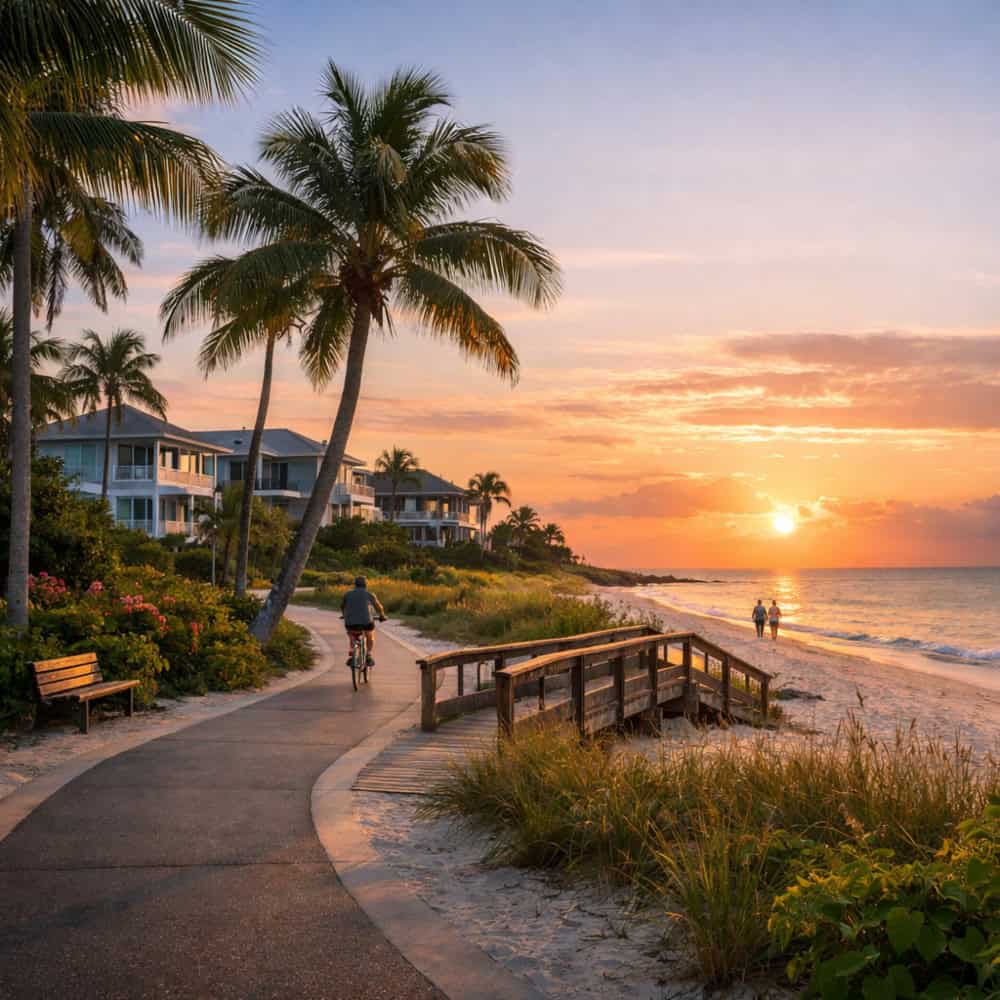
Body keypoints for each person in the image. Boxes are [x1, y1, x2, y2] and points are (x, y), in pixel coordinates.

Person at [341, 577, 386, 667]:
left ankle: (353, 650)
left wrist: (344, 615)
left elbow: (342, 607)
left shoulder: (347, 594)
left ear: (355, 585)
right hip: (366, 623)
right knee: (370, 635)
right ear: (366, 585)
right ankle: (368, 654)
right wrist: (382, 615)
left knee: (351, 633)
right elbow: (379, 607)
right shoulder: (369, 594)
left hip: (350, 623)